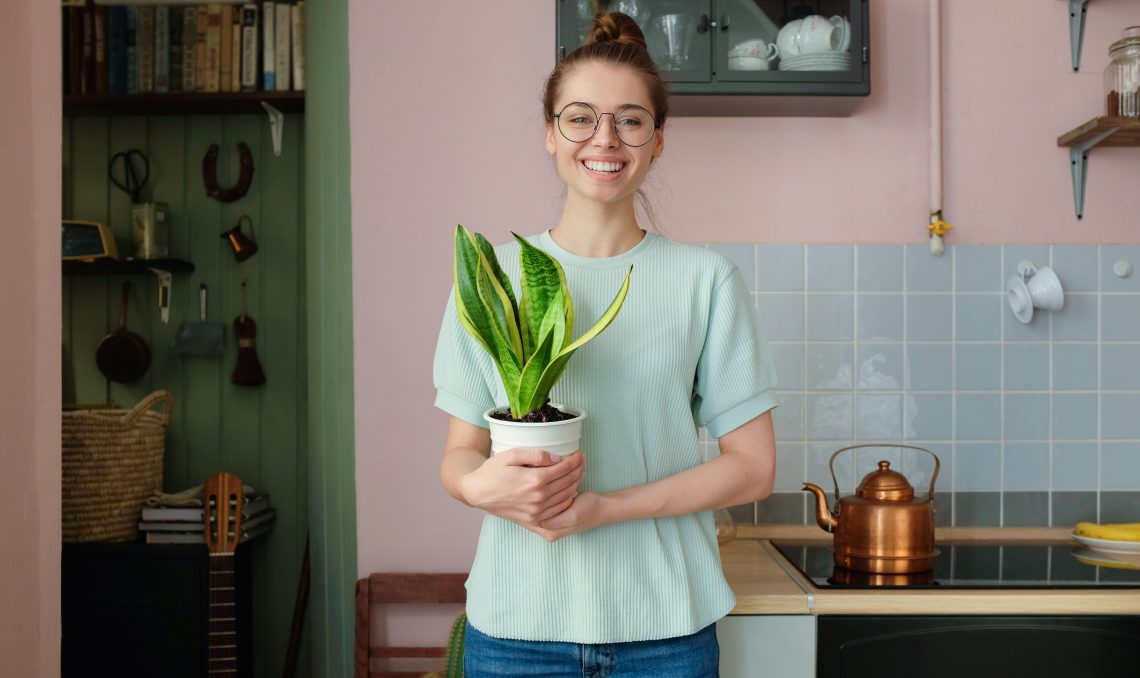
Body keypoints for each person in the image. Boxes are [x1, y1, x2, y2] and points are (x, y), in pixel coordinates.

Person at [433, 12, 778, 677]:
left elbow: (753, 467)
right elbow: (458, 458)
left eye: (630, 119)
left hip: (667, 633)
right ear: (549, 133)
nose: (605, 139)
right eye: (581, 117)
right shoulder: (492, 278)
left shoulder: (705, 281)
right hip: (516, 633)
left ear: (658, 140)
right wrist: (489, 490)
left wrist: (605, 510)